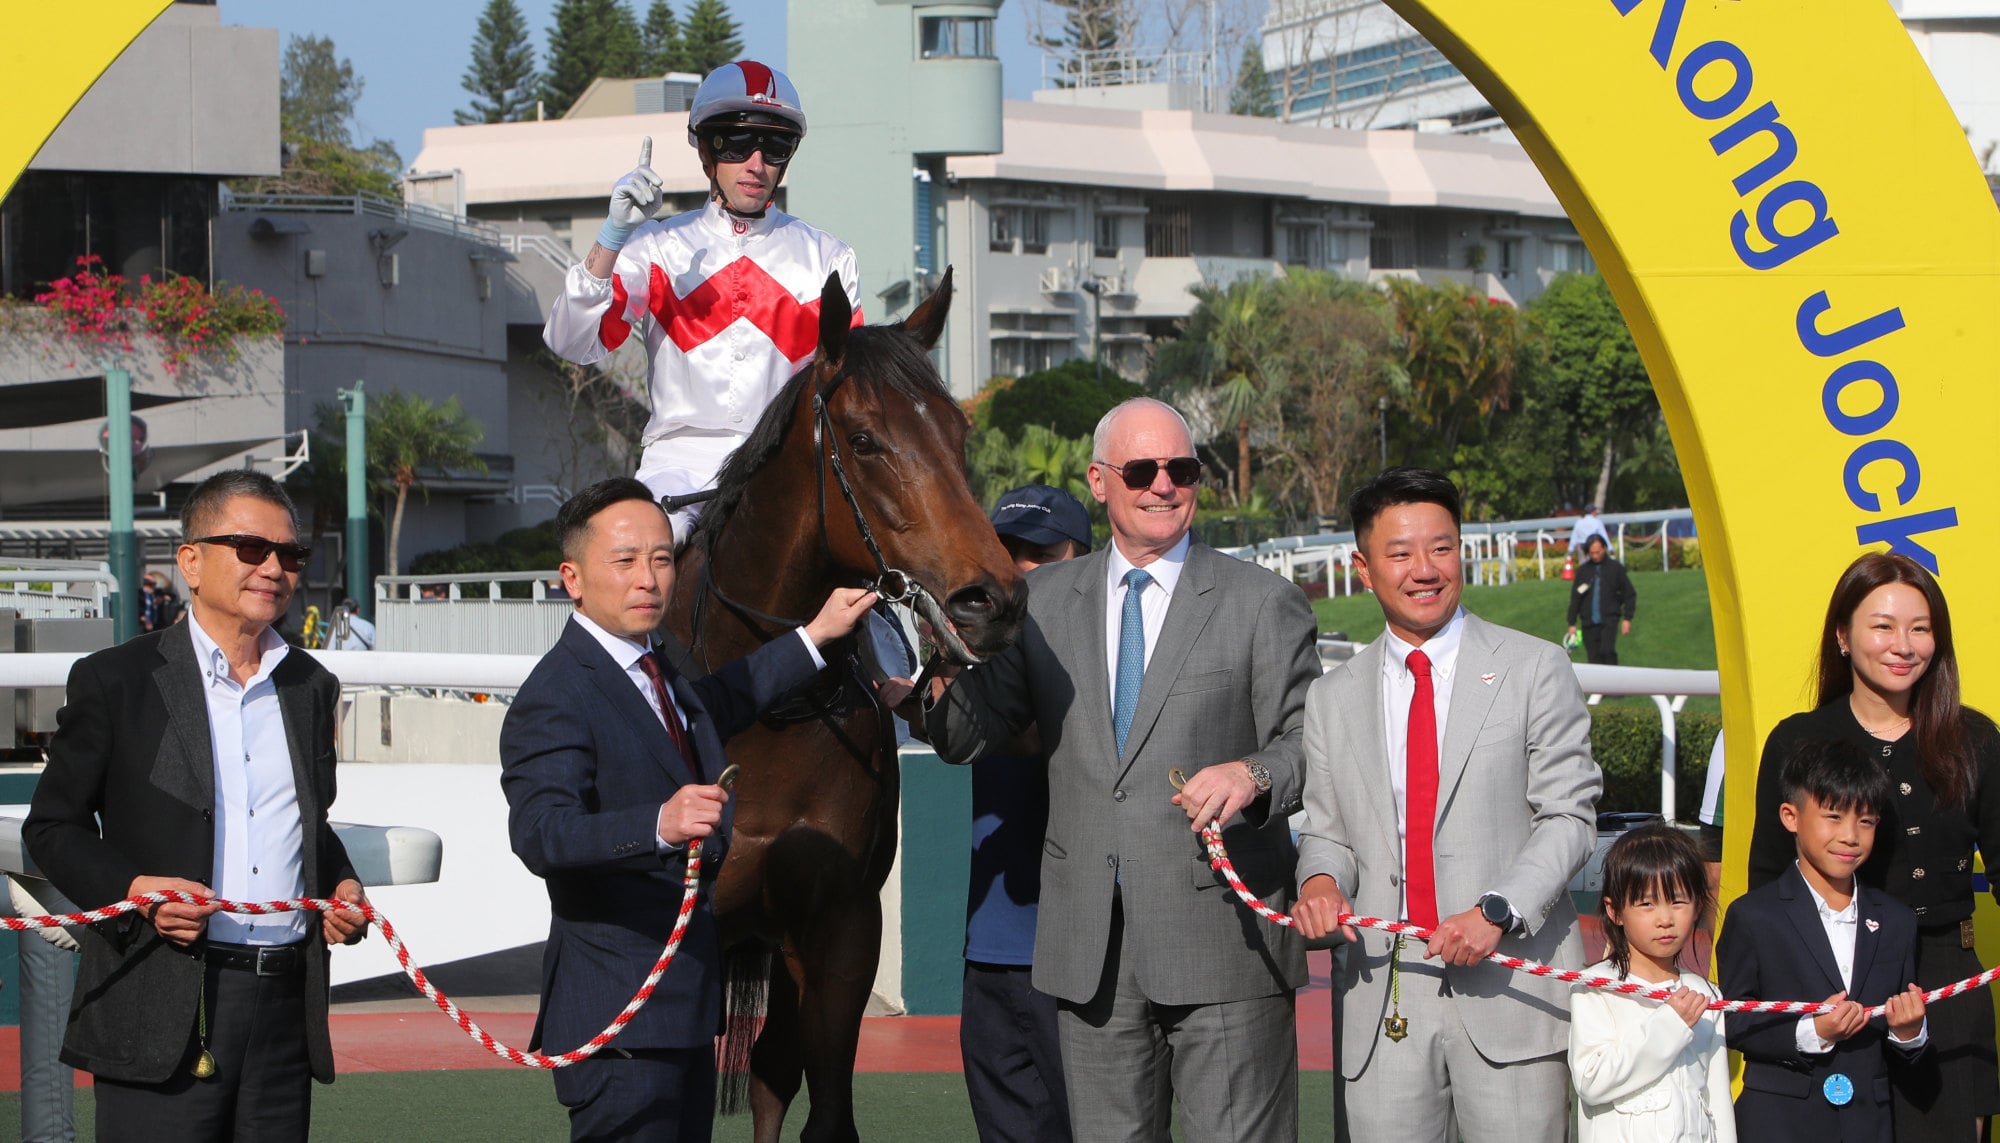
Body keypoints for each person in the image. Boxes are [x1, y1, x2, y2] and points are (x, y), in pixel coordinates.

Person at [922, 398, 1320, 1141]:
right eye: (1142, 470)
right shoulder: (1038, 602)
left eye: (1181, 468)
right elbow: (964, 733)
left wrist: (1254, 776)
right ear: (1100, 482)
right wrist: (934, 653)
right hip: (1088, 952)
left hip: (1226, 946)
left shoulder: (1264, 601)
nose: (1163, 485)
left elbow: (1312, 744)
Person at [499, 478, 879, 1143]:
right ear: (572, 578)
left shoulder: (659, 671)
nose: (649, 578)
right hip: (617, 1020)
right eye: (625, 560)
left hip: (682, 1011)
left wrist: (816, 634)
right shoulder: (555, 694)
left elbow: (729, 694)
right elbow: (540, 832)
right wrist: (658, 824)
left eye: (662, 558)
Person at [23, 470, 370, 1143]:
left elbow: (307, 823)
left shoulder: (311, 686)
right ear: (190, 560)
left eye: (289, 554)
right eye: (249, 547)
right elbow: (51, 827)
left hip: (283, 1012)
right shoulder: (114, 680)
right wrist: (132, 891)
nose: (274, 566)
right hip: (157, 998)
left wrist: (341, 883)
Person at [1292, 465, 1601, 1143]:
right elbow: (1329, 833)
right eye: (1400, 553)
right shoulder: (1332, 698)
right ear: (1364, 568)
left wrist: (1499, 909)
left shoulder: (1535, 667)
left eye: (1441, 547)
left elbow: (1570, 817)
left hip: (1512, 994)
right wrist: (1318, 880)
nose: (1424, 569)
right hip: (1384, 1001)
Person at [542, 60, 861, 539]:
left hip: (788, 467)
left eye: (775, 146)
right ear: (707, 152)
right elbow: (571, 341)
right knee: (643, 552)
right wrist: (613, 236)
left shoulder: (829, 258)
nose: (756, 163)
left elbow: (851, 389)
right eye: (736, 143)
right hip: (679, 467)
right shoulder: (653, 247)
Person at [1745, 551, 2000, 1136]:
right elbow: (1767, 885)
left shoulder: (1976, 740)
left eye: (1920, 628)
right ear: (1842, 635)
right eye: (1883, 626)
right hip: (1832, 989)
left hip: (1945, 985)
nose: (1903, 645)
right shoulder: (1799, 741)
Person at [959, 484, 1091, 1143]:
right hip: (992, 948)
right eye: (1007, 551)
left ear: (1085, 556)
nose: (1021, 567)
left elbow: (1038, 734)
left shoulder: (1107, 654)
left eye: (1041, 552)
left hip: (1081, 951)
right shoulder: (979, 650)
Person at [1722, 740, 1929, 1141]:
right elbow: (1733, 1020)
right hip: (1778, 1123)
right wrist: (1813, 1031)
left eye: (1866, 821)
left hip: (1867, 1123)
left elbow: (1903, 1042)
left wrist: (1909, 1032)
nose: (1850, 836)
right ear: (1790, 816)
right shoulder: (1753, 916)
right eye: (1833, 816)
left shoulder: (1897, 921)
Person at [1569, 823, 1733, 1142]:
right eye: (1646, 903)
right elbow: (1591, 1081)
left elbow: (1717, 1099)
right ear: (1615, 911)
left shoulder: (1705, 993)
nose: (1665, 919)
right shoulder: (1596, 985)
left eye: (1678, 901)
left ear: (1698, 905)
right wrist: (1671, 1024)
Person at [1565, 534, 1636, 665]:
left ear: (1604, 549)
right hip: (1588, 623)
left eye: (1598, 552)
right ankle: (1597, 685)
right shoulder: (1583, 571)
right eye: (1592, 553)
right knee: (1593, 656)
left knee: (1607, 651)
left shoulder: (1615, 568)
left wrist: (1627, 618)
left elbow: (1629, 594)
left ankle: (1613, 682)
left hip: (1609, 620)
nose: (1595, 556)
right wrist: (1572, 623)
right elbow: (1575, 598)